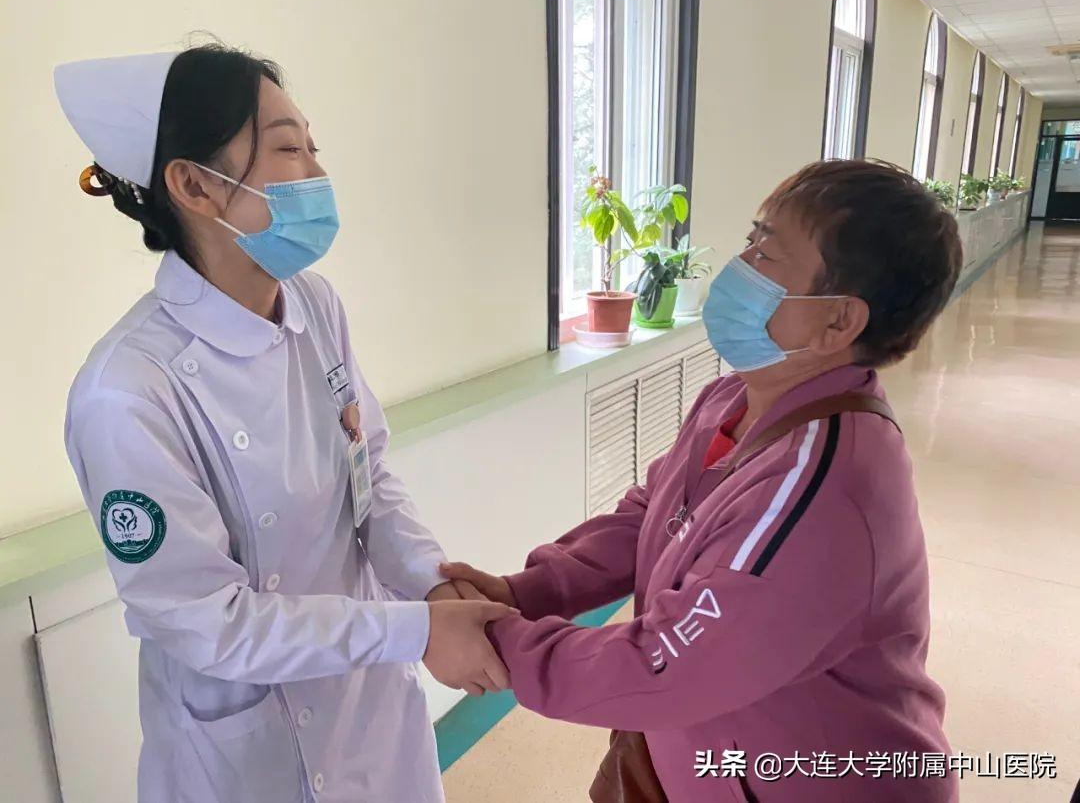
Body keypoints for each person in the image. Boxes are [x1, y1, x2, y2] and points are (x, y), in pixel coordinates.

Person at [58, 44, 514, 803]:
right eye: (286, 149)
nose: (316, 174)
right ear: (194, 185)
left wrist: (431, 588)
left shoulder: (314, 303)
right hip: (247, 749)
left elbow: (369, 478)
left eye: (313, 147)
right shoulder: (127, 392)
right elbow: (211, 623)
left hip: (369, 700)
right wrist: (416, 630)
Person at [443, 160, 961, 801]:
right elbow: (652, 515)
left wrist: (492, 642)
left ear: (837, 323)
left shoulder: (823, 489)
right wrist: (526, 591)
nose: (738, 267)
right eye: (751, 239)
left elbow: (662, 666)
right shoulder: (734, 399)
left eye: (765, 255)